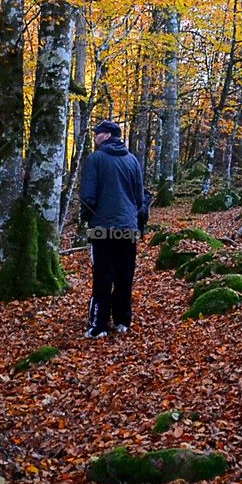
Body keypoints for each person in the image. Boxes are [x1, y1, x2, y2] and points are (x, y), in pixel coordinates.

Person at [80, 119, 148, 340]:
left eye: (98, 133)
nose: (95, 136)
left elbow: (87, 197)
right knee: (124, 276)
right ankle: (122, 321)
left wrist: (90, 217)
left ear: (107, 135)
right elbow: (140, 198)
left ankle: (98, 325)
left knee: (102, 276)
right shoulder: (132, 161)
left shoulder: (95, 159)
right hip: (129, 228)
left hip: (102, 228)